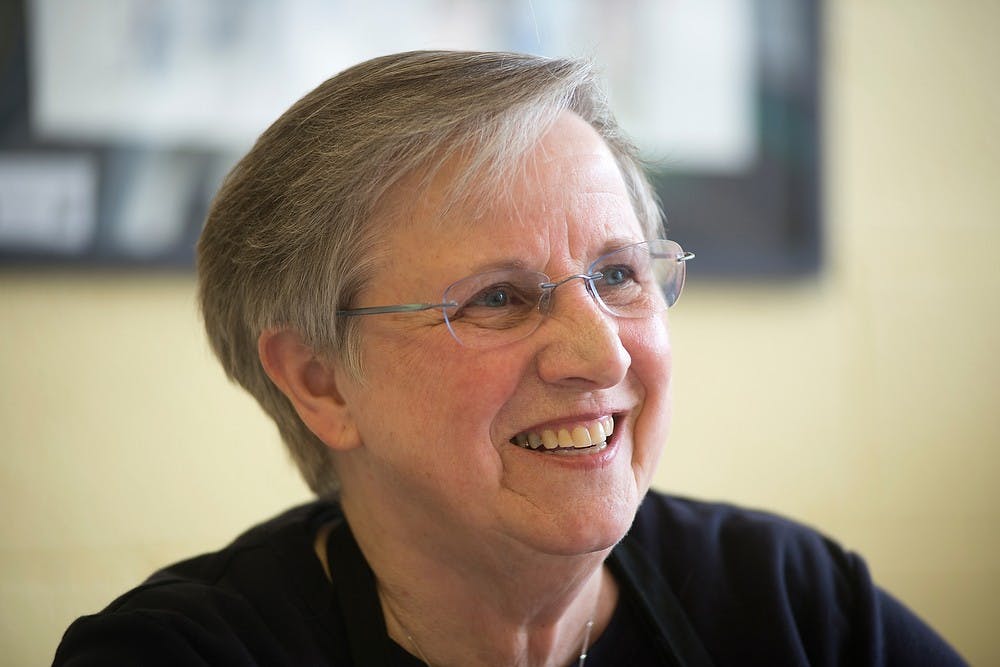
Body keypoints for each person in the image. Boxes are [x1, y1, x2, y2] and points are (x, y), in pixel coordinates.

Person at [53, 50, 965, 667]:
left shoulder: (794, 606)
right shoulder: (178, 652)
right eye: (498, 297)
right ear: (319, 380)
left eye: (617, 274)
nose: (598, 349)